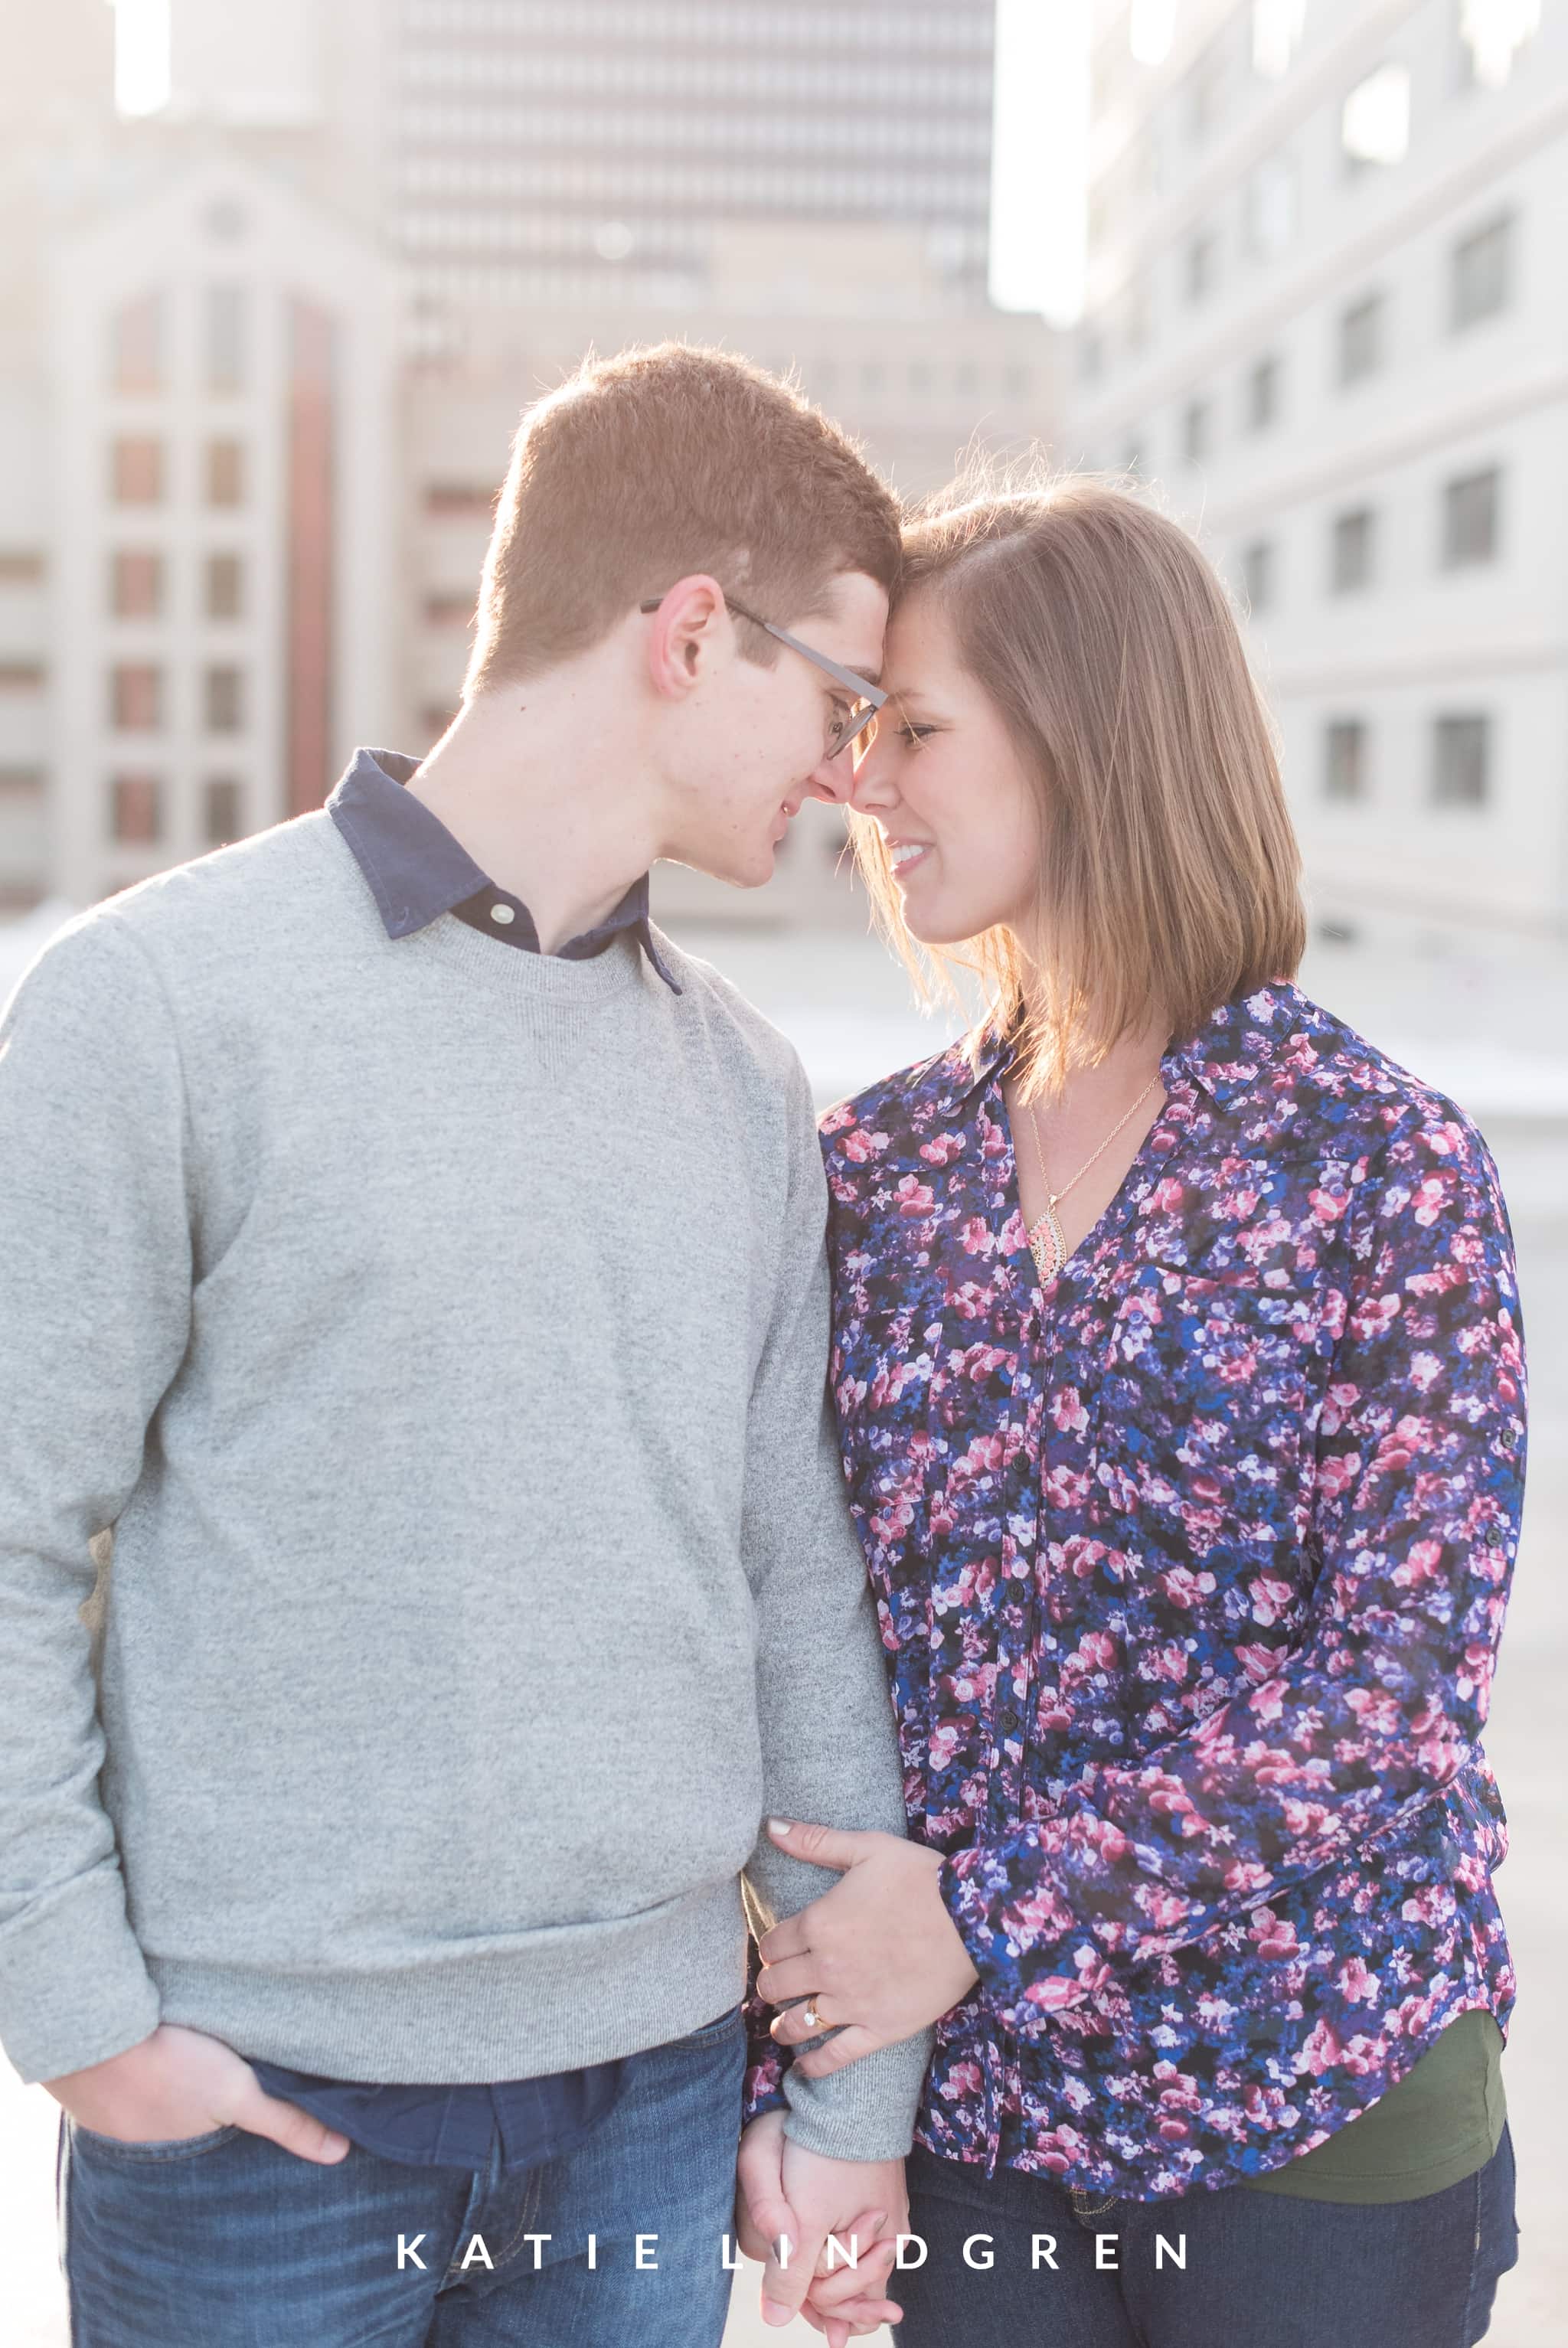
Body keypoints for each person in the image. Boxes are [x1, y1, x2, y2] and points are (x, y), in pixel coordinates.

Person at [0, 342, 929, 2348]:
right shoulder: (150, 1006)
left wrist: (854, 2084)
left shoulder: (751, 1088)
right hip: (255, 2116)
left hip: (656, 2098)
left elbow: (791, 1566)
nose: (857, 769)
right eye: (842, 699)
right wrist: (76, 2016)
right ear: (693, 631)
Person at [743, 478, 1526, 2346]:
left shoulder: (1373, 1160)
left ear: (1089, 732)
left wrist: (992, 1907)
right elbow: (793, 1618)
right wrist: (806, 2072)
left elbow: (1395, 1684)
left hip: (1310, 2109)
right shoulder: (877, 1167)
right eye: (860, 732)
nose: (865, 785)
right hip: (976, 2120)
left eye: (914, 728)